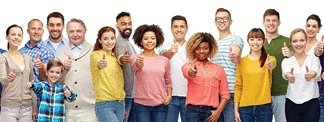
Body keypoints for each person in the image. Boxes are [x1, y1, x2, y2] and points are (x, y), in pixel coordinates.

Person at [55, 18, 97, 122]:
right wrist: (64, 69)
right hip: (68, 111)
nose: (75, 34)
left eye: (78, 31)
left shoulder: (95, 51)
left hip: (91, 110)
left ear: (85, 31)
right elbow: (55, 82)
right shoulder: (60, 55)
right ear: (67, 33)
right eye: (71, 31)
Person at [182, 32, 230, 122]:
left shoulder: (218, 69)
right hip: (192, 112)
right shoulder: (188, 66)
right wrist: (191, 72)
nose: (201, 51)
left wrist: (218, 111)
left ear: (210, 49)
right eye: (198, 48)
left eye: (205, 48)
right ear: (193, 50)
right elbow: (187, 71)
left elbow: (225, 94)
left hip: (211, 112)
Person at [130, 24, 172, 122]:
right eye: (146, 39)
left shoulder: (164, 60)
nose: (150, 41)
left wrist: (169, 95)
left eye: (153, 38)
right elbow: (137, 65)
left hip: (161, 105)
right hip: (141, 106)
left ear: (157, 40)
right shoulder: (135, 57)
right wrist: (140, 63)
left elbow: (168, 80)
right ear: (140, 41)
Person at [234, 28, 275, 122]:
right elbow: (238, 86)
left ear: (263, 42)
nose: (255, 42)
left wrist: (270, 65)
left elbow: (272, 64)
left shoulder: (269, 59)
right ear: (248, 41)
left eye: (259, 39)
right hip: (245, 108)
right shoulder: (241, 62)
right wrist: (236, 110)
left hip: (264, 107)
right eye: (252, 39)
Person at [211, 8, 244, 122]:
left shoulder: (235, 39)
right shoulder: (212, 43)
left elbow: (236, 48)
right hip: (215, 94)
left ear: (231, 21)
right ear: (215, 22)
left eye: (225, 18)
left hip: (231, 93)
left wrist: (235, 54)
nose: (222, 21)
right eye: (219, 19)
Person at [282, 28, 321, 122]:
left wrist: (311, 75)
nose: (298, 44)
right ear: (290, 43)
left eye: (302, 40)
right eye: (295, 41)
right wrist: (289, 76)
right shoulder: (286, 61)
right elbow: (286, 73)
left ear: (306, 41)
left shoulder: (314, 59)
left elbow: (315, 71)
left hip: (311, 104)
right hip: (291, 104)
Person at [262, 9, 294, 122]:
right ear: (263, 22)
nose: (271, 23)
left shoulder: (287, 41)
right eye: (268, 20)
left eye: (274, 20)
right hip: (262, 94)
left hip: (282, 93)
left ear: (279, 23)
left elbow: (299, 60)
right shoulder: (258, 43)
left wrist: (290, 54)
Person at [0, 24, 37, 121]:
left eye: (19, 35)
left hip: (27, 108)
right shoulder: (3, 57)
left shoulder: (28, 58)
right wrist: (7, 78)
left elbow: (32, 84)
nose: (16, 37)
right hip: (9, 108)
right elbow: (2, 79)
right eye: (13, 34)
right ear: (7, 37)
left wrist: (34, 108)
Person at [19, 19, 55, 119]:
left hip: (40, 101)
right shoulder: (21, 51)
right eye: (33, 28)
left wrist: (41, 67)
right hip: (22, 100)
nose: (36, 31)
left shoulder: (46, 52)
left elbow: (49, 80)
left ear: (43, 32)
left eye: (39, 29)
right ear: (27, 31)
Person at [90, 26, 125, 122]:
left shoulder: (115, 58)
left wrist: (122, 102)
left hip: (120, 103)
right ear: (99, 40)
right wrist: (101, 64)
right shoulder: (96, 55)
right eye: (105, 39)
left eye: (112, 38)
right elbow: (97, 63)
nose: (110, 42)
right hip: (104, 103)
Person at [159, 15, 189, 122]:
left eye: (182, 26)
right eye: (175, 26)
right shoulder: (164, 46)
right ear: (171, 29)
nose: (179, 29)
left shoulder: (192, 47)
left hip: (189, 96)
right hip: (169, 96)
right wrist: (171, 52)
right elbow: (163, 55)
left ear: (186, 29)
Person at [114, 12, 136, 122]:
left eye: (129, 23)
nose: (127, 26)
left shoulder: (129, 43)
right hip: (125, 96)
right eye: (123, 24)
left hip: (132, 95)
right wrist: (122, 59)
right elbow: (120, 55)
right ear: (117, 26)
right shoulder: (119, 41)